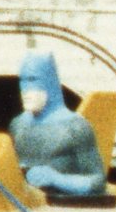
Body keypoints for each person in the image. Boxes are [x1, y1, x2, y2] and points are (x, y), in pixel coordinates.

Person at [10, 49, 109, 198]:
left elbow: (98, 182)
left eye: (33, 79)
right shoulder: (18, 124)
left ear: (49, 81)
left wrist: (57, 179)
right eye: (22, 80)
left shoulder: (75, 126)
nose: (25, 89)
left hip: (66, 206)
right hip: (27, 205)